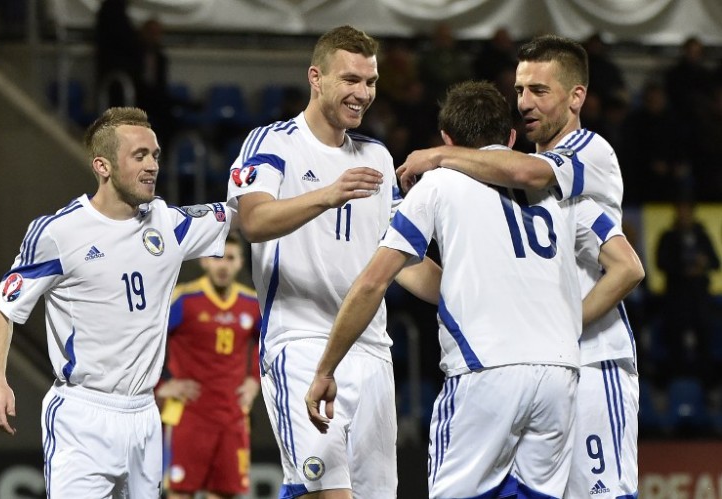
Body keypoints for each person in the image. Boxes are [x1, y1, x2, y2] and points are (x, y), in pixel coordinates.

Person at [306, 80, 641, 498]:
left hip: (484, 369)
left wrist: (324, 369)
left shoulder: (438, 184)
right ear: (513, 135)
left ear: (447, 139)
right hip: (560, 371)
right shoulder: (555, 183)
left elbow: (373, 282)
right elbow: (628, 264)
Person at [397, 35, 642, 498]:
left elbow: (628, 269)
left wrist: (439, 156)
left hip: (595, 357)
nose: (524, 103)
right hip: (545, 366)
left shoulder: (588, 152)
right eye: (520, 90)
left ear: (577, 97)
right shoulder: (524, 166)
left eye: (539, 91)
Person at [226, 25, 440, 499]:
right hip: (300, 344)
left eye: (370, 82)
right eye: (351, 80)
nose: (363, 94)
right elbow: (254, 221)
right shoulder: (273, 144)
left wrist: (471, 292)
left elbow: (404, 261)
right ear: (315, 78)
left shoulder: (379, 158)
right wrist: (327, 194)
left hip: (372, 352)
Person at [0, 107, 233, 497]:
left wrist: (323, 192)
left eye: (155, 155)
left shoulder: (168, 223)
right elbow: (2, 307)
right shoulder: (59, 233)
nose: (153, 166)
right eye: (139, 156)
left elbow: (245, 215)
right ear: (102, 165)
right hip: (83, 415)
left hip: (145, 414)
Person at [156, 231, 262, 499]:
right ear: (204, 261)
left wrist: (254, 380)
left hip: (232, 415)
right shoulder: (184, 300)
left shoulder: (250, 304)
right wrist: (161, 385)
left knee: (224, 493)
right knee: (180, 493)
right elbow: (147, 340)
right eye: (216, 258)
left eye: (230, 258)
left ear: (240, 263)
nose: (222, 265)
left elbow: (269, 344)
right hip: (189, 415)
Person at [656, 199, 720, 384]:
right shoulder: (668, 236)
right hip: (677, 298)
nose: (684, 214)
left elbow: (716, 262)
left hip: (699, 298)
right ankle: (678, 385)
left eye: (687, 210)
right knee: (676, 342)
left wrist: (704, 263)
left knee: (704, 341)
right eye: (681, 210)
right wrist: (683, 270)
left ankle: (706, 386)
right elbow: (661, 263)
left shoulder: (702, 236)